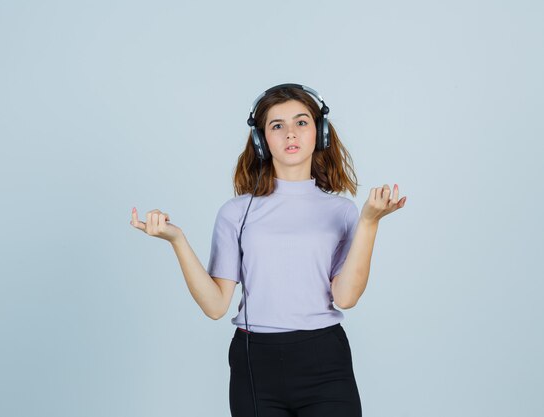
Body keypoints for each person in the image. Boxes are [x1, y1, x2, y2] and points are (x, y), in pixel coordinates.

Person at [130, 84, 406, 417]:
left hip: (323, 359)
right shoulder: (235, 212)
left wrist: (369, 223)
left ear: (320, 133)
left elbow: (346, 297)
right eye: (277, 125)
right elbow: (216, 305)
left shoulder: (343, 213)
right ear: (261, 139)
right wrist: (177, 240)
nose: (291, 133)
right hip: (254, 361)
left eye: (301, 122)